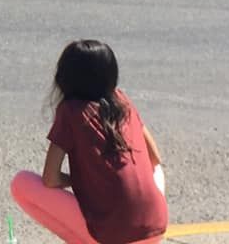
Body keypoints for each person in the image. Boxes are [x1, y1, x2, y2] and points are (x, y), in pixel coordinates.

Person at [11, 40, 167, 244]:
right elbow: (155, 159)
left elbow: (51, 178)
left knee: (21, 183)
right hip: (156, 226)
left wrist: (81, 181)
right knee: (156, 172)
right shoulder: (122, 100)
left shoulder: (70, 111)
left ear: (64, 78)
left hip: (114, 235)